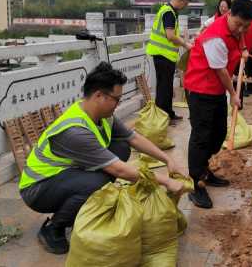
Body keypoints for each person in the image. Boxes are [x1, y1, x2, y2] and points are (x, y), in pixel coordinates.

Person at [19, 62, 186, 254]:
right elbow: (121, 171)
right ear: (99, 95)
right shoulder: (75, 131)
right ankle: (54, 228)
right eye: (116, 99)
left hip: (63, 175)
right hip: (38, 188)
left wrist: (168, 160)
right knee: (97, 182)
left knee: (121, 147)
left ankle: (82, 206)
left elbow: (134, 138)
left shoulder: (102, 116)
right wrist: (165, 181)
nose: (118, 104)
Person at [183, 0, 252, 208]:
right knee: (201, 136)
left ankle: (204, 170)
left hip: (214, 91)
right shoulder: (215, 36)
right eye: (238, 24)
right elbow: (222, 71)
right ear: (229, 14)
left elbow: (240, 36)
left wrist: (243, 48)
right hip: (200, 89)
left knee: (218, 134)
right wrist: (234, 94)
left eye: (246, 26)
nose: (241, 29)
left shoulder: (237, 29)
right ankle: (196, 184)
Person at [146, 0, 192, 121]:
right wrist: (186, 44)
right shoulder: (169, 13)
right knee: (164, 88)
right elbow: (170, 36)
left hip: (163, 55)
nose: (184, 7)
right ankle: (162, 117)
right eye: (185, 4)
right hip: (163, 55)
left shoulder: (167, 10)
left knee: (165, 87)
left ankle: (168, 114)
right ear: (181, 0)